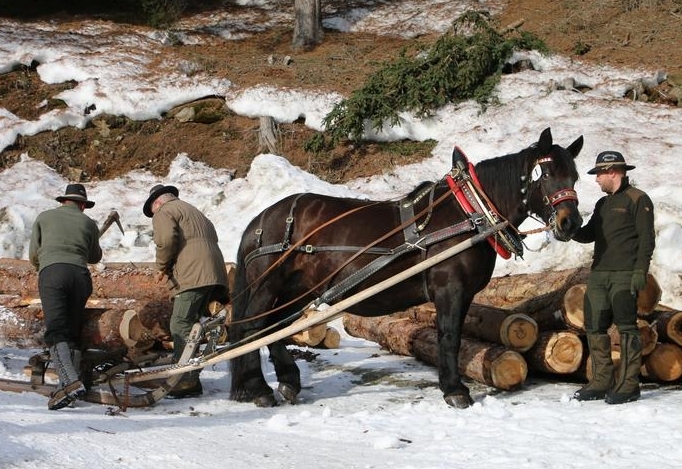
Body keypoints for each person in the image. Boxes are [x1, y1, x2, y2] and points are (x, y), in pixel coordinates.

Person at [572, 151, 655, 404]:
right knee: (595, 326)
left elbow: (647, 239)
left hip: (625, 275)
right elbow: (589, 235)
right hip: (599, 274)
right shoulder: (602, 204)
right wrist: (569, 230)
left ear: (613, 172)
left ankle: (629, 385)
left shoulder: (638, 199)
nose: (596, 180)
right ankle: (601, 381)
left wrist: (640, 270)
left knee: (627, 328)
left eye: (599, 174)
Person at [143, 184, 229, 398]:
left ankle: (183, 379)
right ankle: (192, 377)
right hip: (214, 271)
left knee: (179, 323)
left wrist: (161, 266)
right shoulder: (193, 210)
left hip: (193, 273)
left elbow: (165, 241)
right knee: (193, 325)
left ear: (157, 202)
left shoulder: (165, 211)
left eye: (152, 211)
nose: (154, 215)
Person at [29, 184, 103, 410]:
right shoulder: (89, 223)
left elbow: (34, 254)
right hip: (81, 277)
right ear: (83, 205)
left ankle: (70, 382)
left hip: (53, 273)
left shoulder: (44, 217)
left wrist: (47, 265)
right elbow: (94, 256)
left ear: (63, 201)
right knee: (73, 331)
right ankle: (66, 388)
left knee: (56, 330)